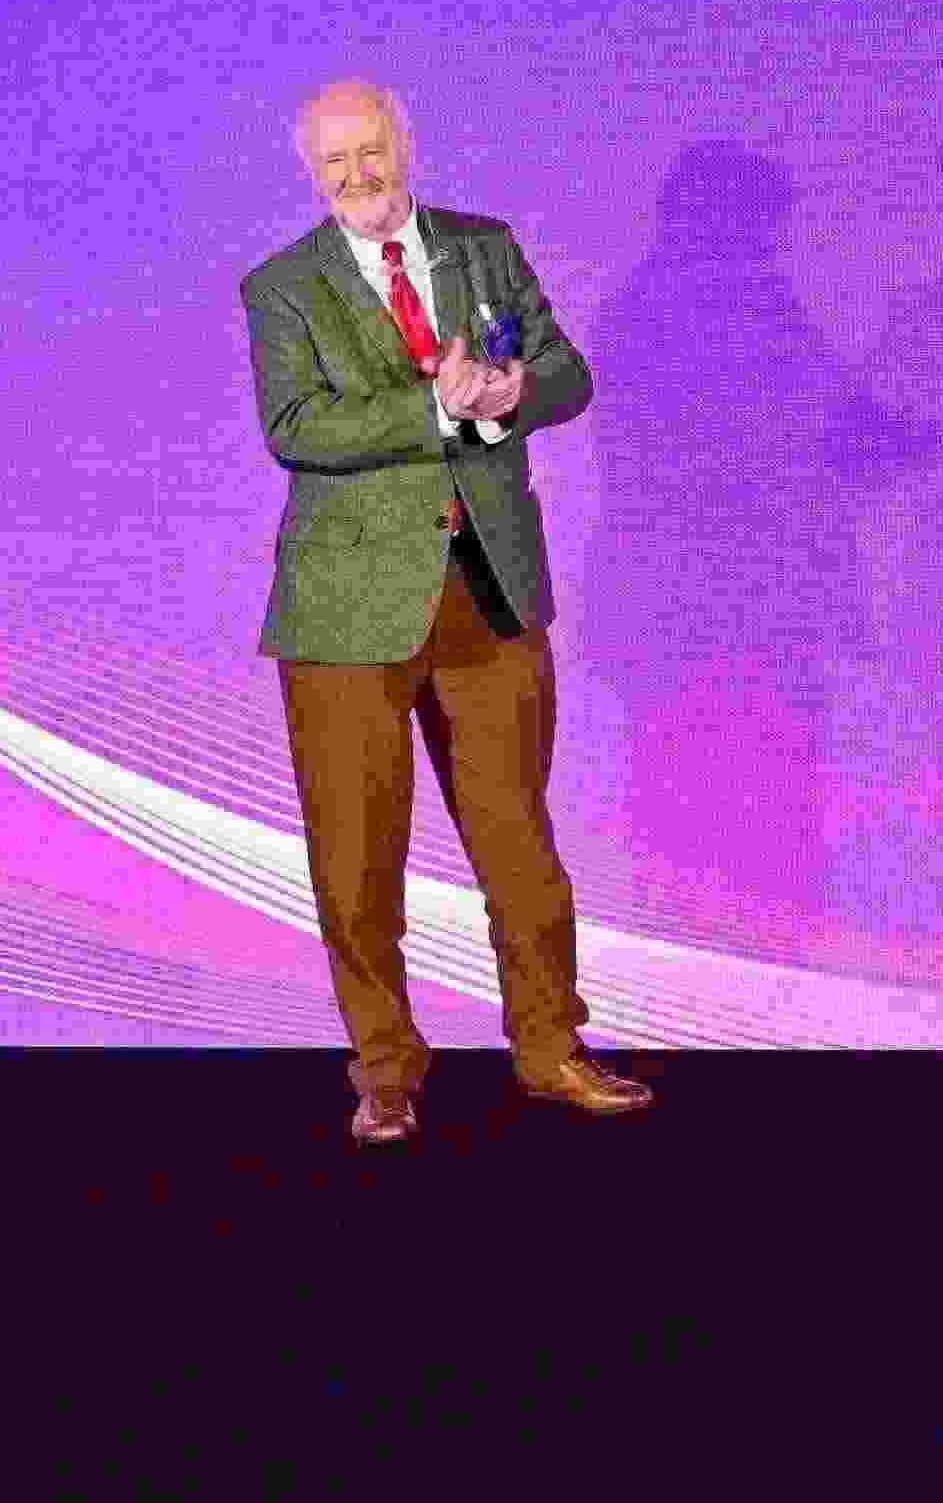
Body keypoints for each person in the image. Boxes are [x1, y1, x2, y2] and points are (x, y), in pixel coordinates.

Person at [240, 79, 652, 1144]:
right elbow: (296, 426)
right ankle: (385, 1071)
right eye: (335, 161)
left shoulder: (484, 246)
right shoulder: (282, 286)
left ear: (405, 145)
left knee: (520, 841)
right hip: (345, 616)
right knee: (356, 859)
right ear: (311, 172)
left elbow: (566, 373)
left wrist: (509, 393)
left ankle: (551, 1047)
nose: (357, 175)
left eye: (370, 151)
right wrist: (432, 402)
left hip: (490, 591)